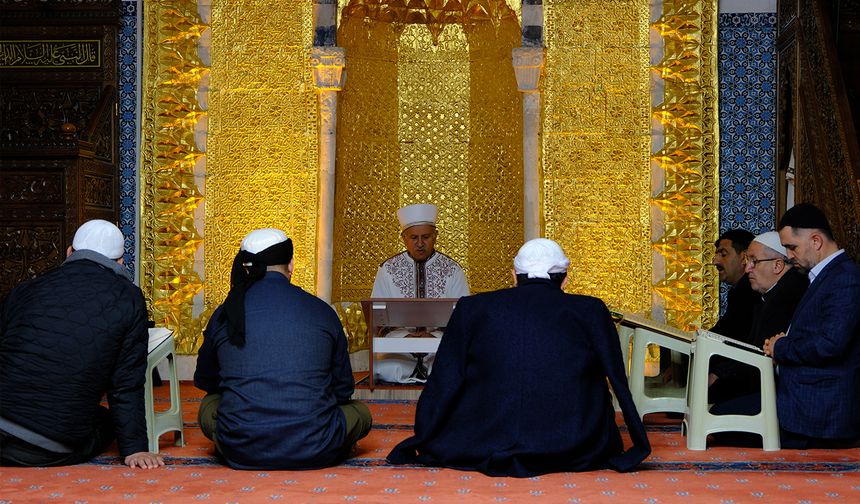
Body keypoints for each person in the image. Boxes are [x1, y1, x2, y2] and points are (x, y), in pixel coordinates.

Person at [387, 238, 651, 477]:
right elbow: (617, 377)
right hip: (575, 440)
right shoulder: (591, 309)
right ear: (565, 279)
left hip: (483, 437)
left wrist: (424, 435)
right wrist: (638, 444)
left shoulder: (472, 308)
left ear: (514, 275)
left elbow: (445, 379)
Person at [194, 228, 372, 470]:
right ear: (291, 265)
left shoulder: (227, 311)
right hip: (316, 446)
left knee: (208, 405)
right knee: (361, 413)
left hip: (240, 448)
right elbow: (343, 390)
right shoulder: (321, 310)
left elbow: (206, 381)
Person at [0, 220, 163, 468]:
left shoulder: (28, 288)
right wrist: (135, 448)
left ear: (69, 252)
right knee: (104, 421)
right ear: (120, 262)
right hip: (44, 448)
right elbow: (125, 382)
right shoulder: (128, 299)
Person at [712, 203, 860, 448]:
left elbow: (830, 344)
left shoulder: (845, 278)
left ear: (815, 241)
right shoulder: (825, 276)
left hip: (820, 409)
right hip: (802, 395)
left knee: (723, 421)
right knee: (722, 416)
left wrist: (781, 347)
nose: (789, 255)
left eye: (792, 247)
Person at [370, 203, 469, 383]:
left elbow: (464, 318)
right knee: (385, 369)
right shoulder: (387, 269)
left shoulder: (453, 270)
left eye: (426, 237)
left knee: (449, 369)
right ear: (403, 238)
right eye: (414, 237)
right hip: (399, 351)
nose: (420, 244)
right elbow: (377, 318)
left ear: (436, 236)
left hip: (439, 348)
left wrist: (433, 335)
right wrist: (407, 337)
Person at [708, 231, 808, 404]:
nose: (747, 269)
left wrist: (718, 383)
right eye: (747, 261)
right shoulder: (772, 295)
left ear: (777, 266)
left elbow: (759, 360)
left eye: (754, 261)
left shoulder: (786, 298)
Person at [710, 229, 760, 339]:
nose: (715, 262)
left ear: (744, 257)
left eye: (723, 254)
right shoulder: (739, 290)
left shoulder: (750, 291)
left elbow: (730, 336)